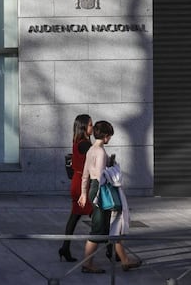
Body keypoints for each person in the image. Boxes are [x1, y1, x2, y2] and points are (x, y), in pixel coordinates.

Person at [77, 121, 142, 273]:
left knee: (112, 225)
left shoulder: (91, 150)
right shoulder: (100, 152)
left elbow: (85, 174)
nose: (110, 139)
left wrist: (84, 193)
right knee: (99, 229)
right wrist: (112, 171)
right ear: (106, 136)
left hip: (94, 189)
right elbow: (101, 176)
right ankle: (87, 264)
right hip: (102, 190)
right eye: (110, 136)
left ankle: (125, 260)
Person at [58, 114, 93, 262]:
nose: (93, 127)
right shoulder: (85, 144)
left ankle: (65, 248)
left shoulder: (77, 141)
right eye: (91, 124)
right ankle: (111, 251)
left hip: (77, 181)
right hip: (83, 183)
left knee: (75, 216)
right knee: (100, 216)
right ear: (84, 126)